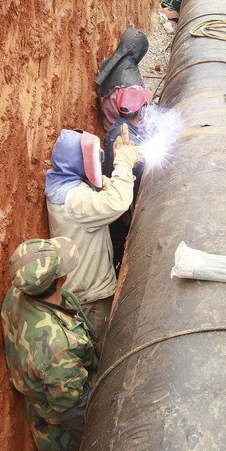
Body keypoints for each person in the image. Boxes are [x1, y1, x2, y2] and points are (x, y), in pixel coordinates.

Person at [0, 237, 97, 451]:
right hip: (63, 429)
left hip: (45, 395)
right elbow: (73, 410)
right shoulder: (58, 350)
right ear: (61, 279)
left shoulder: (15, 295)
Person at [45, 126, 140, 343]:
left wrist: (103, 183)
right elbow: (117, 203)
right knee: (102, 349)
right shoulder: (75, 201)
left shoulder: (60, 183)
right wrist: (123, 163)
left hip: (77, 287)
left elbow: (85, 194)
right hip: (91, 297)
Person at [102, 87, 152, 269]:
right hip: (122, 203)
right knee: (119, 241)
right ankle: (117, 267)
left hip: (120, 195)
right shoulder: (124, 139)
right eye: (145, 106)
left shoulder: (120, 127)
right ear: (140, 111)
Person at [95, 27, 151, 128]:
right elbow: (131, 121)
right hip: (121, 135)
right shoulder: (131, 87)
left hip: (110, 125)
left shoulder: (109, 64)